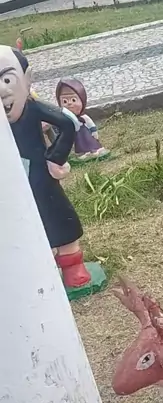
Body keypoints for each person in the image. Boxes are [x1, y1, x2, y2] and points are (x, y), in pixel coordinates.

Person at [0, 45, 91, 289]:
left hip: (39, 173)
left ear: (26, 79)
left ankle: (72, 264)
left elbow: (67, 123)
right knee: (17, 224)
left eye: (7, 80)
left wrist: (55, 157)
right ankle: (36, 268)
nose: (1, 90)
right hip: (7, 180)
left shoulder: (33, 109)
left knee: (57, 214)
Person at [56, 77, 109, 162]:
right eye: (65, 101)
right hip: (76, 137)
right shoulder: (65, 120)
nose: (69, 104)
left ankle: (95, 150)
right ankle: (81, 154)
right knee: (79, 144)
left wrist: (94, 133)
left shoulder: (84, 118)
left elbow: (91, 125)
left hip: (85, 134)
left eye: (73, 100)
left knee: (90, 142)